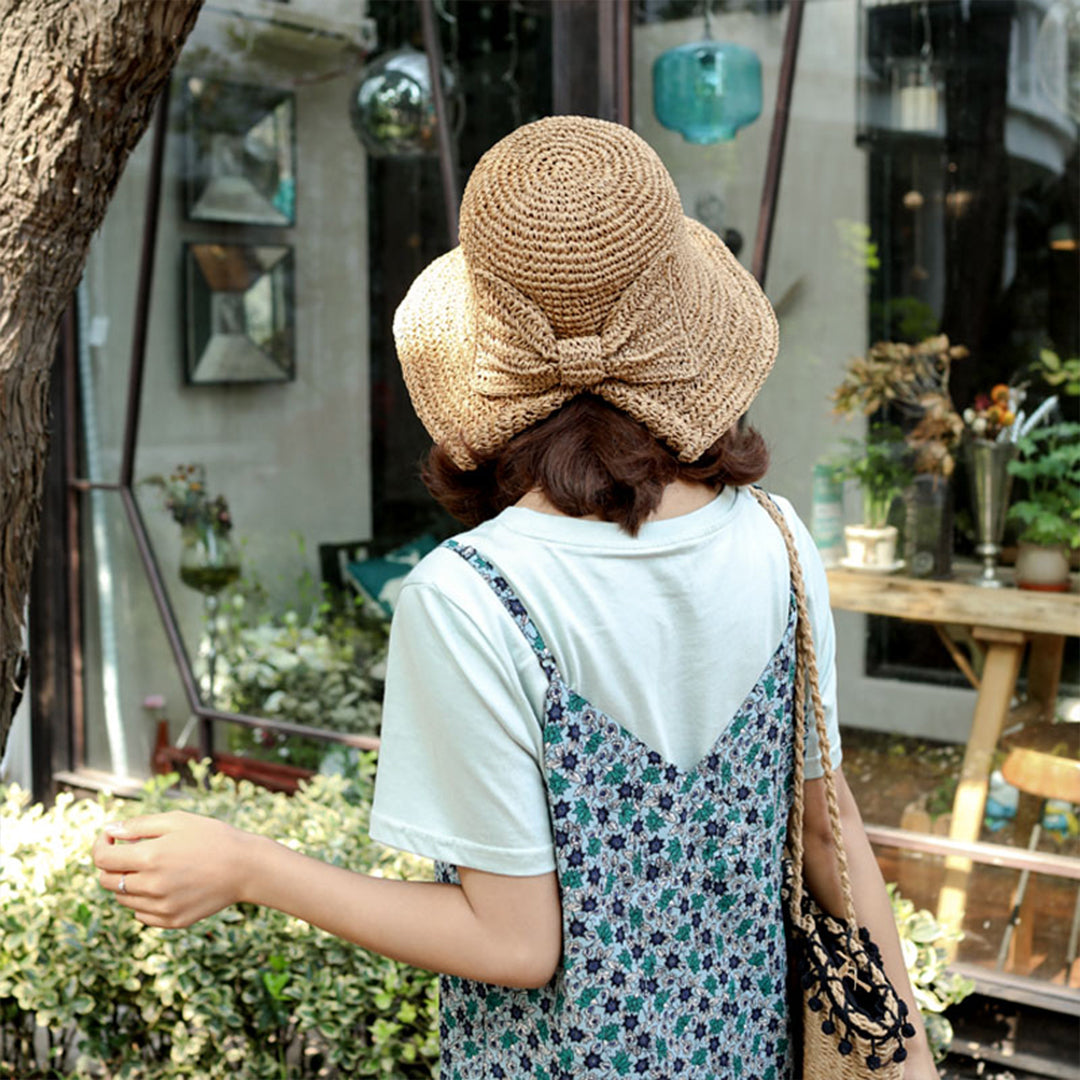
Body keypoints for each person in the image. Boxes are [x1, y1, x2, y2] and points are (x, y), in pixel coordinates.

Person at [94, 116, 937, 1079]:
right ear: (682, 323)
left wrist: (247, 867)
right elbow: (831, 840)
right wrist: (904, 1056)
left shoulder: (472, 596)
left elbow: (514, 945)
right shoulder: (782, 541)